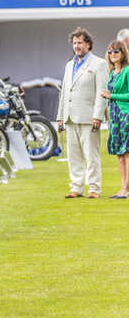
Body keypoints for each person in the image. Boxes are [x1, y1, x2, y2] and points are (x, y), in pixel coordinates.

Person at [56, 28, 107, 199]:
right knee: (73, 156)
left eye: (80, 43)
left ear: (88, 44)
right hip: (70, 117)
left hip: (88, 117)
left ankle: (94, 188)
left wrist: (97, 116)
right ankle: (76, 187)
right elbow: (64, 92)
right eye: (75, 43)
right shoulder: (69, 65)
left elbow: (102, 91)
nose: (77, 46)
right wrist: (60, 117)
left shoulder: (99, 64)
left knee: (91, 156)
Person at [100, 41, 129, 198]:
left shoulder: (127, 71)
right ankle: (123, 187)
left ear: (123, 53)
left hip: (126, 114)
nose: (112, 55)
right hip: (114, 116)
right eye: (110, 52)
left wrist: (112, 95)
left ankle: (127, 188)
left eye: (116, 52)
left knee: (126, 152)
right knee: (119, 153)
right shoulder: (112, 73)